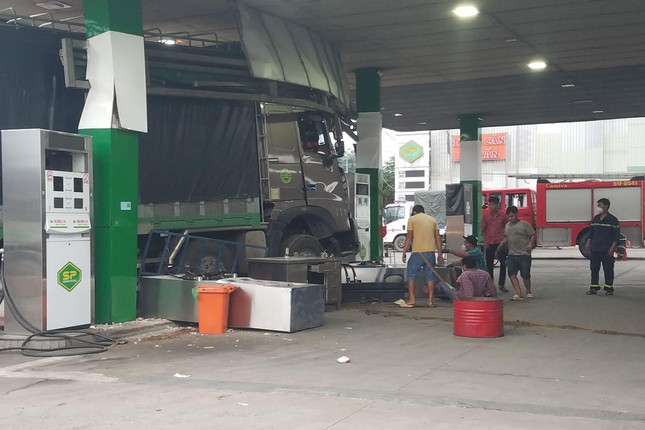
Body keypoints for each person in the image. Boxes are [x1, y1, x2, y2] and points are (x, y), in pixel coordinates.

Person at [401, 204, 444, 307]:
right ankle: (430, 301)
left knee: (411, 275)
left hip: (417, 253)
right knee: (430, 277)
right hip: (430, 252)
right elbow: (438, 238)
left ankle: (412, 299)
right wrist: (440, 254)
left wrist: (404, 251)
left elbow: (409, 237)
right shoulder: (432, 220)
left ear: (415, 212)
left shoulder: (412, 219)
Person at [498, 206, 535, 301]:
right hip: (512, 254)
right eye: (509, 217)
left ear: (517, 214)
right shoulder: (507, 226)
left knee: (525, 274)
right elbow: (507, 237)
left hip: (524, 254)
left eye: (512, 216)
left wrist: (530, 243)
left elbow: (532, 235)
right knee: (511, 273)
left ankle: (528, 291)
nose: (510, 218)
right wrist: (502, 243)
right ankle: (518, 293)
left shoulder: (524, 224)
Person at [585, 198, 620, 296]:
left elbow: (616, 237)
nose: (598, 207)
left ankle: (609, 288)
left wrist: (612, 248)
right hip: (595, 248)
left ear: (606, 206)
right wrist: (588, 243)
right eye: (598, 205)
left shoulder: (613, 220)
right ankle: (594, 287)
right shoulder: (595, 218)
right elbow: (591, 233)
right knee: (594, 268)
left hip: (606, 249)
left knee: (608, 269)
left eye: (600, 205)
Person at [481, 196, 508, 292]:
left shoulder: (503, 216)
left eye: (493, 204)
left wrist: (505, 240)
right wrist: (485, 242)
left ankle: (501, 284)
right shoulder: (486, 216)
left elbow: (507, 229)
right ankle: (490, 285)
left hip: (500, 243)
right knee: (489, 265)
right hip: (489, 243)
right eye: (490, 204)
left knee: (503, 263)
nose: (491, 206)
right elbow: (483, 231)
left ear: (498, 205)